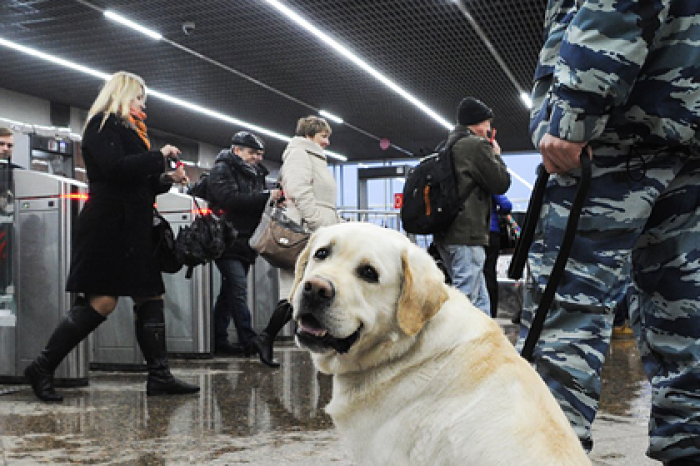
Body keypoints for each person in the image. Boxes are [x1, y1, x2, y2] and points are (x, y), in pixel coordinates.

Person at [518, 2, 700, 464]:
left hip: (615, 130)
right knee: (686, 324)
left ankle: (544, 456)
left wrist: (575, 108)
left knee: (565, 317)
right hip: (689, 126)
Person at [24, 71, 199, 402]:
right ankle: (42, 367)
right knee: (102, 302)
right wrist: (158, 156)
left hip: (133, 228)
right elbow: (115, 169)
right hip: (108, 228)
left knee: (150, 296)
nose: (141, 106)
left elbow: (138, 183)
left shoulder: (130, 131)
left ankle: (159, 376)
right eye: (137, 99)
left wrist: (166, 178)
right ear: (121, 96)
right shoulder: (101, 125)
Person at [253, 115, 341, 367]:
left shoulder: (314, 157)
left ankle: (326, 344)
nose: (327, 142)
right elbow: (299, 192)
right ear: (309, 135)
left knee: (308, 290)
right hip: (305, 233)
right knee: (294, 291)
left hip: (319, 233)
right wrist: (318, 224)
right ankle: (267, 336)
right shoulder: (299, 155)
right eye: (323, 136)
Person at [206, 131, 282, 357]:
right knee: (238, 289)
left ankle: (219, 339)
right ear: (236, 150)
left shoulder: (256, 172)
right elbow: (229, 199)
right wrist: (266, 196)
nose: (257, 158)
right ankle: (249, 340)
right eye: (252, 153)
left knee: (229, 292)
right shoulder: (222, 169)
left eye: (259, 154)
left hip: (247, 239)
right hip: (227, 238)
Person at [432, 97, 510, 315]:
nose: (489, 128)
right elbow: (500, 183)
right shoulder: (476, 146)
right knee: (466, 299)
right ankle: (458, 347)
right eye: (487, 123)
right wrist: (497, 156)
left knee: (479, 297)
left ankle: (483, 345)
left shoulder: (446, 146)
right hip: (466, 234)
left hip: (444, 233)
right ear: (477, 123)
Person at [483, 193, 512, 318]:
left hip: (471, 234)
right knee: (489, 272)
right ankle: (491, 312)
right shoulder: (490, 180)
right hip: (491, 231)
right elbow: (506, 205)